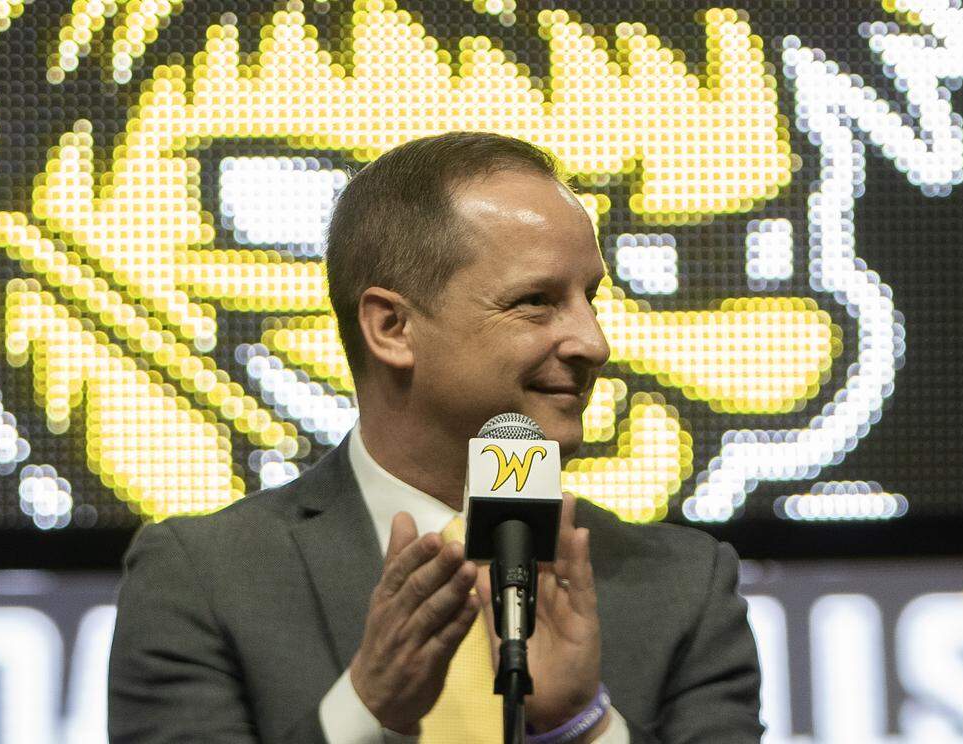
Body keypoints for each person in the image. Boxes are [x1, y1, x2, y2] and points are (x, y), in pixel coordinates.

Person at [108, 131, 764, 743]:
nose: (593, 342)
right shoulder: (201, 579)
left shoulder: (685, 588)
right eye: (536, 300)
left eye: (590, 296)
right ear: (392, 327)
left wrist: (580, 726)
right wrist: (365, 712)